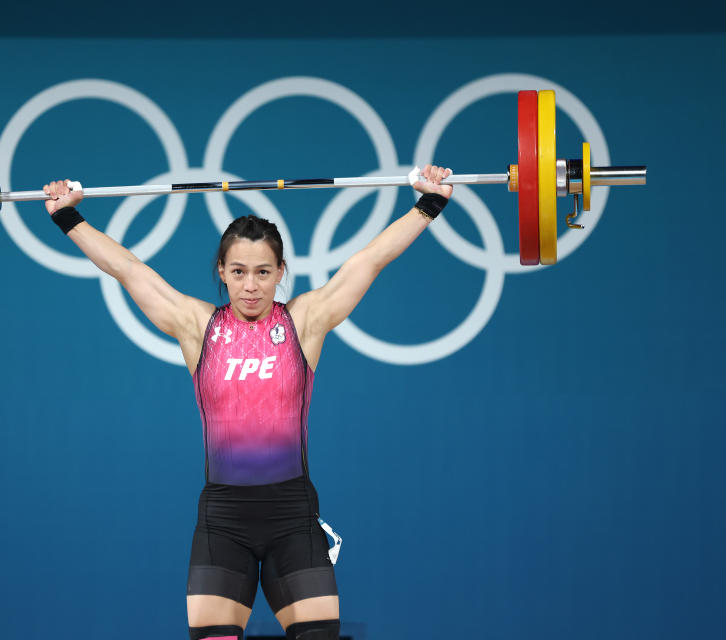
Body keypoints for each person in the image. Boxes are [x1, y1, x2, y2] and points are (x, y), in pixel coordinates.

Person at [43, 165, 455, 640]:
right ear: (222, 271)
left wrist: (429, 204)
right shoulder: (198, 326)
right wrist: (67, 219)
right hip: (223, 521)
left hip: (292, 517)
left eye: (263, 272)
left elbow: (368, 262)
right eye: (238, 272)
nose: (251, 286)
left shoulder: (305, 321)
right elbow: (128, 269)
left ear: (281, 273)